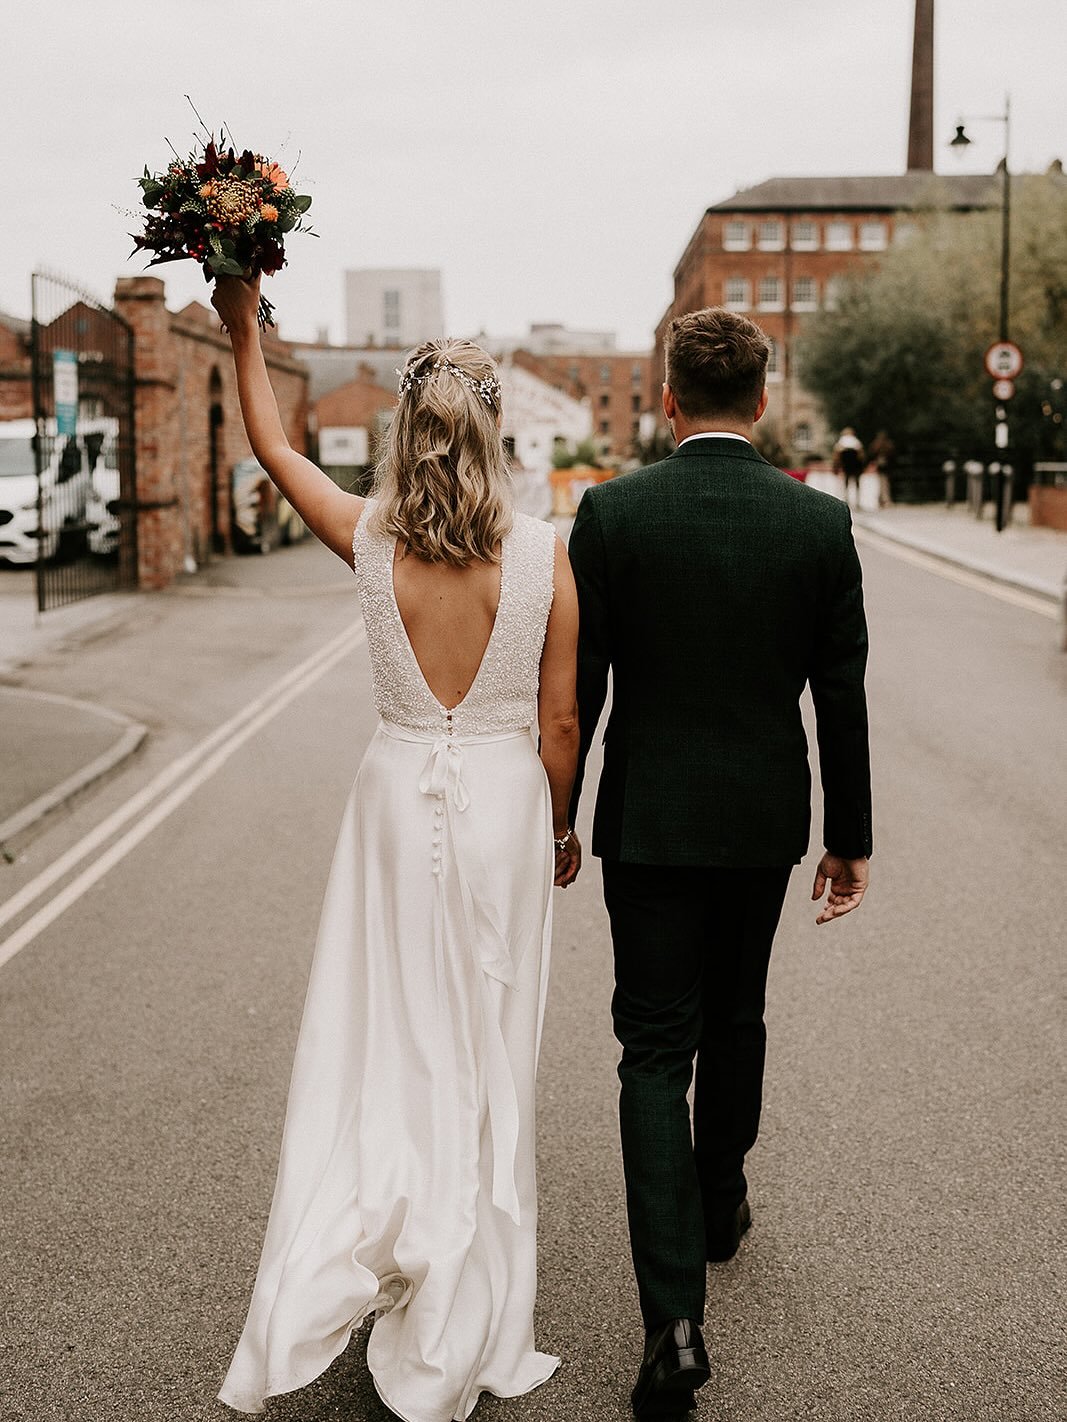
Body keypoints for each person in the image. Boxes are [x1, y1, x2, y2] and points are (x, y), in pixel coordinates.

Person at [209, 274, 581, 1421]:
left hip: (389, 802)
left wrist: (241, 322)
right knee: (486, 1045)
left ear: (404, 431)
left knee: (386, 1036)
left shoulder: (366, 534)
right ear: (494, 429)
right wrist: (561, 824)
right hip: (509, 807)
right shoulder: (547, 553)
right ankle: (463, 1291)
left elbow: (272, 444)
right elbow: (561, 720)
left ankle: (377, 1228)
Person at [567, 307, 872, 1422]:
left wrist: (559, 817)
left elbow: (579, 694)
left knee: (652, 1050)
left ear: (665, 399)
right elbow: (837, 694)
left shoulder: (610, 514)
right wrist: (850, 838)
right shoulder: (816, 526)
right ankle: (721, 1190)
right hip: (760, 822)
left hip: (646, 821)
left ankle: (671, 1325)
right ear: (758, 400)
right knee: (735, 1016)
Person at [832, 426, 866, 508]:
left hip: (846, 464)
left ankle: (847, 499)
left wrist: (837, 465)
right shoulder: (856, 442)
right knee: (856, 482)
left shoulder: (841, 442)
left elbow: (836, 454)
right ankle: (857, 501)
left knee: (846, 482)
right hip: (855, 464)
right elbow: (861, 454)